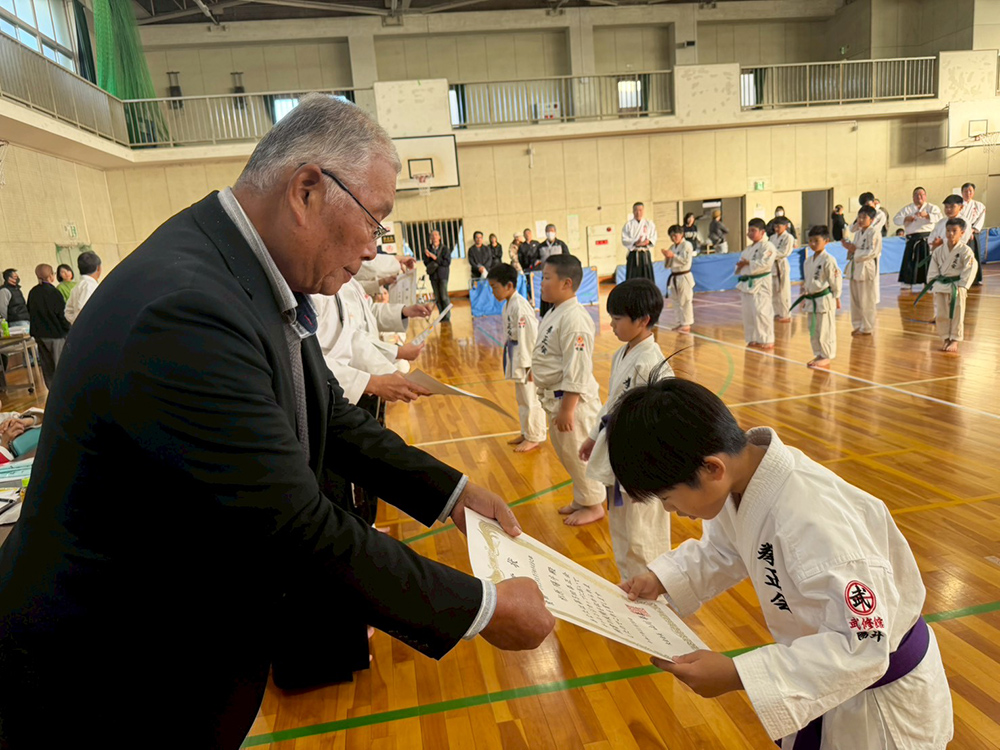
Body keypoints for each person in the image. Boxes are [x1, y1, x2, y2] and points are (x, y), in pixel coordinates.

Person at [0, 94, 555, 749]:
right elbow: (295, 526)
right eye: (375, 221)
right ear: (308, 190)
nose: (376, 249)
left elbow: (333, 417)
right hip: (104, 685)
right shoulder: (188, 312)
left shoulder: (242, 275)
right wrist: (480, 608)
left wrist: (451, 494)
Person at [607, 378, 953, 750]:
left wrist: (739, 674)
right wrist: (661, 579)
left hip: (881, 708)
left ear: (712, 469)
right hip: (835, 677)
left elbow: (863, 646)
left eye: (668, 497)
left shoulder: (812, 519)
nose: (670, 510)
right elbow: (726, 550)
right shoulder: (743, 483)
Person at [579, 279, 671, 581]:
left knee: (644, 529)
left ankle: (653, 586)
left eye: (617, 318)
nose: (612, 324)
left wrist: (641, 466)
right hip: (619, 452)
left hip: (642, 460)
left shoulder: (652, 364)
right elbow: (611, 404)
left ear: (643, 320)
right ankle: (630, 579)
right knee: (623, 527)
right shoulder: (624, 353)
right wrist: (594, 436)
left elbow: (659, 422)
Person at [532, 254, 605, 526]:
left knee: (579, 455)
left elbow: (577, 367)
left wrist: (568, 409)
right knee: (567, 454)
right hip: (555, 398)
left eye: (547, 278)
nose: (542, 283)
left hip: (572, 403)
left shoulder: (575, 318)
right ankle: (582, 497)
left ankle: (594, 504)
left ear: (567, 283)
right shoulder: (555, 311)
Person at [312, 277, 432, 405]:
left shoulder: (350, 281)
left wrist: (403, 312)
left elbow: (364, 319)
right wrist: (396, 354)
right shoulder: (318, 292)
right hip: (343, 389)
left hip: (366, 376)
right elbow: (311, 361)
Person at [488, 263, 546, 453]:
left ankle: (535, 436)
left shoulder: (520, 307)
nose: (493, 292)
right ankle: (526, 431)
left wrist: (531, 366)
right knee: (522, 398)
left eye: (495, 287)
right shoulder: (509, 304)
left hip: (526, 355)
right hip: (515, 351)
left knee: (531, 398)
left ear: (509, 286)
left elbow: (530, 337)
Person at [919, 217, 977, 355]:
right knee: (941, 314)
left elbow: (970, 269)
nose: (950, 233)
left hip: (957, 285)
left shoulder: (965, 251)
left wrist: (963, 285)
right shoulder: (939, 251)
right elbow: (933, 268)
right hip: (941, 285)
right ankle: (945, 337)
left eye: (954, 231)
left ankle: (955, 339)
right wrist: (933, 282)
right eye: (948, 230)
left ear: (962, 233)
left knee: (957, 313)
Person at [793, 226, 842, 369]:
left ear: (826, 241)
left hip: (824, 299)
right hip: (811, 299)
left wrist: (837, 296)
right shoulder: (808, 261)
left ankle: (826, 355)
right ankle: (819, 353)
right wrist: (805, 294)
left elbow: (835, 280)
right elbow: (807, 281)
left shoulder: (829, 260)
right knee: (814, 329)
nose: (812, 244)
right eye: (810, 241)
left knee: (826, 329)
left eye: (816, 240)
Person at [26, 264, 71, 386]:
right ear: (51, 276)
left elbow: (29, 311)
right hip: (55, 334)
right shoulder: (54, 292)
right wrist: (69, 329)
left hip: (39, 335)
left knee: (47, 366)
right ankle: (63, 391)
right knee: (60, 366)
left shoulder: (33, 292)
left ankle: (51, 391)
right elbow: (61, 315)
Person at [735, 219, 776, 350]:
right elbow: (740, 264)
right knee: (749, 312)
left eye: (753, 230)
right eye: (749, 231)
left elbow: (766, 264)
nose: (750, 233)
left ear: (762, 232)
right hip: (747, 283)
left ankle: (766, 339)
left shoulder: (768, 246)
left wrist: (748, 264)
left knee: (761, 311)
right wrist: (741, 265)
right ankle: (752, 338)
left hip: (761, 282)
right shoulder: (748, 249)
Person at [843, 205, 882, 337]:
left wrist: (855, 250)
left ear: (871, 219)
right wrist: (849, 248)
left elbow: (873, 251)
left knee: (866, 300)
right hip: (855, 268)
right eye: (859, 217)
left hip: (866, 268)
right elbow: (854, 250)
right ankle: (858, 325)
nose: (860, 220)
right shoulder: (859, 233)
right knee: (855, 300)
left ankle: (867, 327)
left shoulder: (874, 232)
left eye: (864, 217)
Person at [894, 187, 942, 289]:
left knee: (927, 262)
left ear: (925, 196)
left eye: (921, 195)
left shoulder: (931, 208)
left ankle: (928, 282)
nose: (919, 197)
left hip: (927, 239)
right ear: (913, 197)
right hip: (912, 239)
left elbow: (939, 217)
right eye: (916, 195)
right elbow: (896, 220)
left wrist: (927, 215)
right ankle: (907, 282)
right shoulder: (908, 209)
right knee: (910, 261)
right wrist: (906, 219)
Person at [663, 224, 695, 333]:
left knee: (685, 300)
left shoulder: (687, 245)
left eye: (675, 235)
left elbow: (685, 260)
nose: (673, 238)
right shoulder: (672, 247)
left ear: (681, 234)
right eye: (671, 236)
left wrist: (673, 256)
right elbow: (667, 265)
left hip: (684, 276)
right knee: (676, 301)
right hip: (674, 277)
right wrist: (667, 257)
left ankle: (686, 323)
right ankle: (680, 322)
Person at [537, 224, 569, 317]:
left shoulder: (561, 244)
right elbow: (536, 259)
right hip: (546, 275)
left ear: (555, 232)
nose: (550, 233)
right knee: (546, 293)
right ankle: (546, 315)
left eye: (552, 231)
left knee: (558, 292)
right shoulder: (541, 246)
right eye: (548, 231)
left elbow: (567, 258)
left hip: (559, 275)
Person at [63, 250, 102, 324]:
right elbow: (84, 309)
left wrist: (75, 321)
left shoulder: (78, 286)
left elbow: (68, 311)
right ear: (99, 268)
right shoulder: (89, 286)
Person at [622, 201, 657, 282]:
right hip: (634, 253)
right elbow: (624, 240)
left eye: (640, 210)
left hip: (645, 253)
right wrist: (635, 242)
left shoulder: (649, 223)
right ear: (633, 211)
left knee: (647, 277)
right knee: (632, 277)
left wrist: (647, 242)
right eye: (636, 210)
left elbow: (654, 237)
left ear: (643, 211)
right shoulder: (628, 225)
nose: (638, 212)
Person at [768, 217, 794, 323]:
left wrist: (772, 254)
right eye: (775, 226)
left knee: (783, 291)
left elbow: (784, 252)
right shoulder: (772, 237)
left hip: (781, 265)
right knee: (773, 291)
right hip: (772, 266)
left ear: (786, 226)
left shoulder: (788, 237)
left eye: (779, 226)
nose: (776, 228)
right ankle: (776, 313)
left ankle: (785, 314)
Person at [960, 182, 986, 286]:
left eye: (970, 191)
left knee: (974, 256)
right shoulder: (958, 205)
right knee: (962, 256)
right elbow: (958, 219)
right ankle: (962, 278)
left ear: (974, 192)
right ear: (962, 193)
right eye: (965, 191)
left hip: (973, 234)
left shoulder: (979, 206)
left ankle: (975, 279)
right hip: (961, 234)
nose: (968, 193)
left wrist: (973, 230)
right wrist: (966, 231)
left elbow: (980, 220)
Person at [424, 229, 452, 322]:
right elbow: (426, 263)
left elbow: (446, 262)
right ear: (430, 238)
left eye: (436, 235)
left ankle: (447, 316)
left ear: (439, 237)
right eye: (433, 235)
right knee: (438, 297)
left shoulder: (445, 249)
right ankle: (442, 316)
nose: (434, 237)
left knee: (444, 296)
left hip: (443, 275)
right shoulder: (428, 249)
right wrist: (430, 257)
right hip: (433, 276)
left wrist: (434, 257)